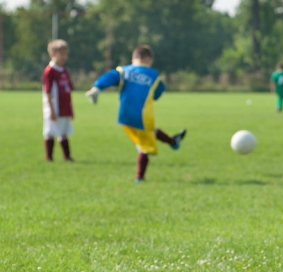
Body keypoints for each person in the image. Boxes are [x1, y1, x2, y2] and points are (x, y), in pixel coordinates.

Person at [85, 45, 186, 182]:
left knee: (149, 133)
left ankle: (173, 141)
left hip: (124, 116)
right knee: (144, 147)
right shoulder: (153, 74)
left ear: (134, 58)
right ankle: (140, 177)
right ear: (148, 58)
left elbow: (111, 76)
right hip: (142, 116)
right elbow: (158, 91)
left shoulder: (124, 70)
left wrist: (97, 87)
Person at [42, 39, 74, 162]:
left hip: (65, 106)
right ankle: (48, 157)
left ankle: (67, 156)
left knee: (64, 131)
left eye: (66, 54)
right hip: (54, 107)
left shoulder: (64, 70)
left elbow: (68, 91)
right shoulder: (49, 71)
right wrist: (51, 110)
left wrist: (71, 109)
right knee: (50, 131)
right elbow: (48, 91)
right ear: (53, 54)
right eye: (62, 54)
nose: (64, 57)